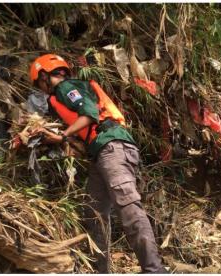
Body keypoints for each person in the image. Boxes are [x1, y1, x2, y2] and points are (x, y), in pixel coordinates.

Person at [29, 54, 167, 273]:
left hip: (112, 148)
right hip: (101, 152)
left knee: (128, 208)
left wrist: (63, 136)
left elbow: (90, 113)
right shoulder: (64, 94)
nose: (41, 88)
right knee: (94, 213)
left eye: (39, 83)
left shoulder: (66, 88)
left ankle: (154, 270)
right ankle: (102, 271)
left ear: (45, 75)